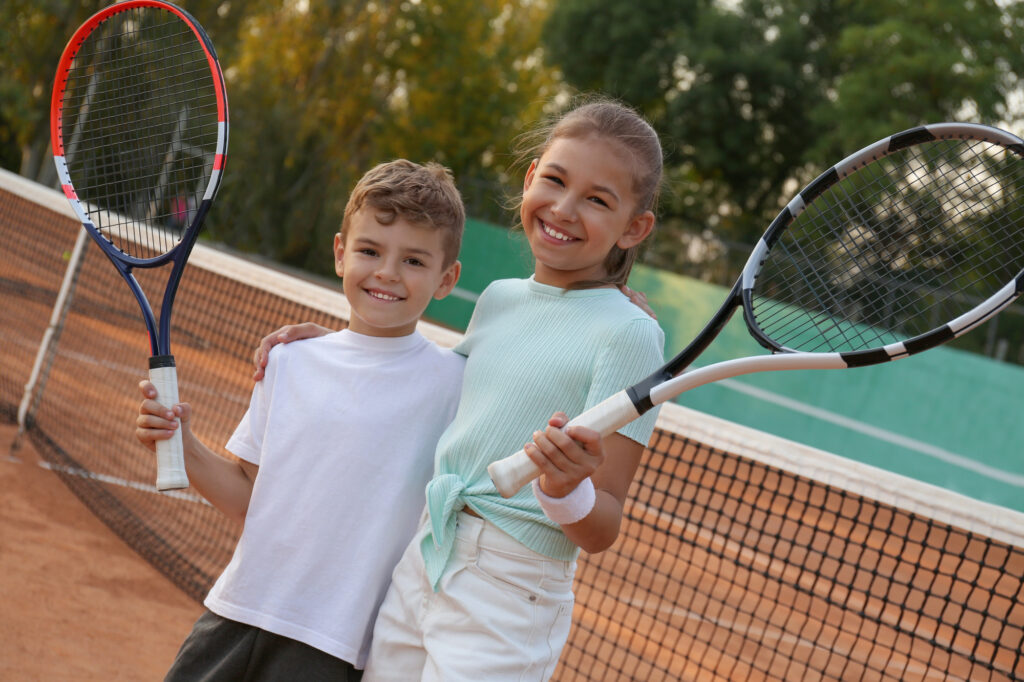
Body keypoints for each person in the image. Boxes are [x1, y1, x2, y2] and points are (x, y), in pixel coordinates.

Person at [253, 96, 667, 681]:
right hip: (426, 552)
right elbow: (439, 386)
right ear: (529, 179)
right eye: (554, 180)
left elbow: (603, 526)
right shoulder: (499, 298)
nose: (565, 208)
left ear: (635, 228)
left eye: (598, 200)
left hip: (511, 589)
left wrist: (564, 488)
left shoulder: (630, 335)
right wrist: (342, 343)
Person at [135, 159, 467, 680]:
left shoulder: (457, 386)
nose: (386, 272)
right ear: (340, 253)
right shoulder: (288, 361)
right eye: (370, 251)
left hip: (332, 648)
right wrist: (182, 444)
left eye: (414, 261)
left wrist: (612, 292)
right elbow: (247, 498)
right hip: (235, 613)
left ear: (447, 279)